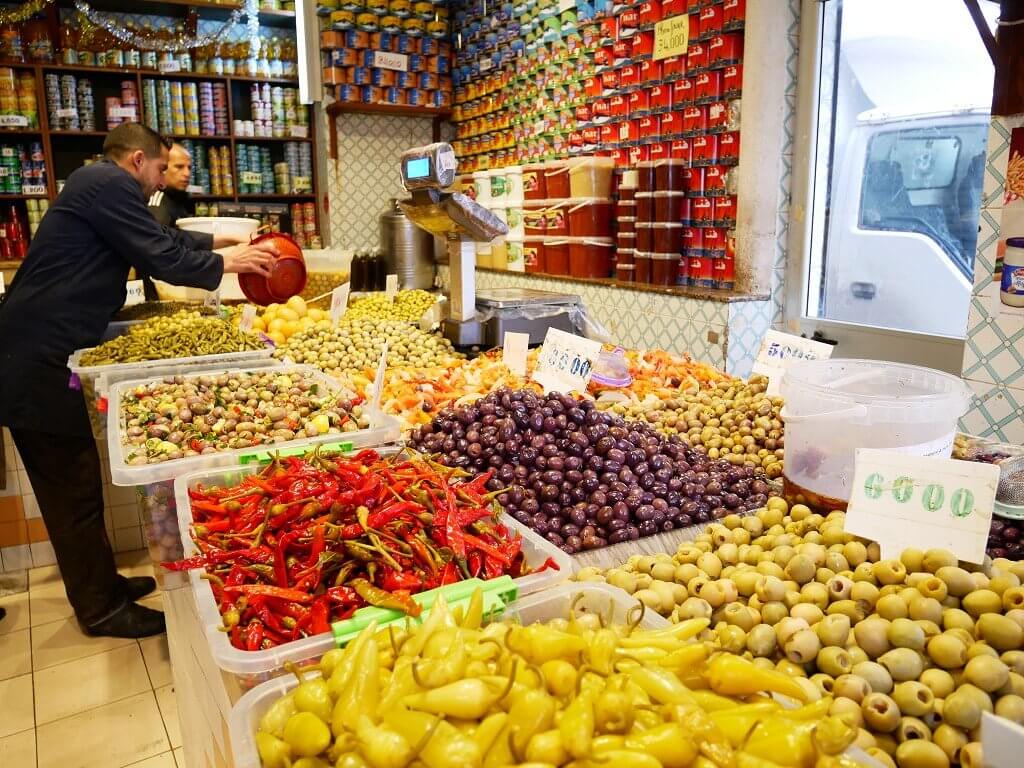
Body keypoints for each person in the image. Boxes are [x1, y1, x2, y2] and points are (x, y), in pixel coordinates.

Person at [0, 123, 278, 639]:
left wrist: (226, 236)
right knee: (70, 490)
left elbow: (164, 236)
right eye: (156, 170)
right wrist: (230, 262)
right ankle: (100, 608)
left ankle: (103, 585)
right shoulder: (109, 185)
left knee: (77, 481)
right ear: (136, 161)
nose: (157, 185)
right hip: (34, 358)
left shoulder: (98, 185)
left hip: (39, 350)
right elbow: (163, 256)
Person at [143, 142, 198, 300]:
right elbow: (157, 252)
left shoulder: (180, 201)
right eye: (179, 167)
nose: (187, 173)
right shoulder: (158, 201)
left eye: (189, 168)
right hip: (160, 294)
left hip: (178, 289)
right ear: (163, 168)